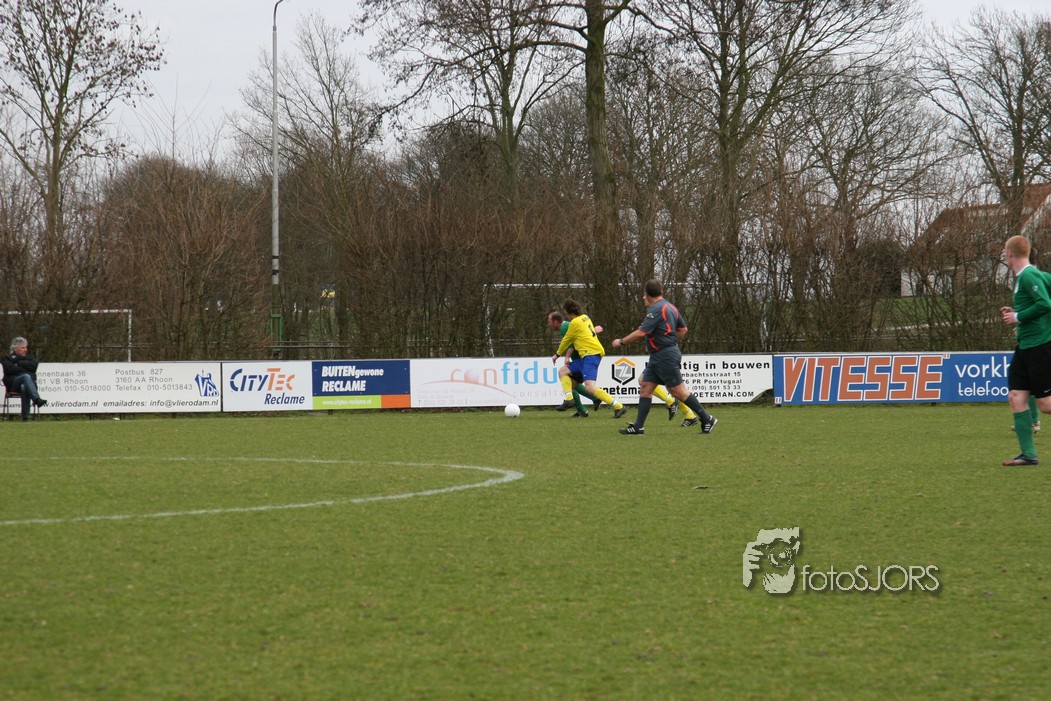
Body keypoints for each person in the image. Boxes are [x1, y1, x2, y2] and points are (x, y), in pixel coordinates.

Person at [611, 279, 716, 435]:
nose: (643, 298)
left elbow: (641, 333)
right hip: (659, 355)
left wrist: (621, 342)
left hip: (665, 355)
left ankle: (707, 419)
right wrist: (669, 340)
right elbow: (683, 329)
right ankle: (638, 426)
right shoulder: (671, 307)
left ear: (647, 294)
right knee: (645, 386)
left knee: (678, 391)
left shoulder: (656, 309)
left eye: (644, 295)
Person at [1000, 235, 1051, 465]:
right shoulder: (1027, 277)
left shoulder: (1029, 275)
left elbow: (1045, 303)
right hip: (1025, 346)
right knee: (1016, 396)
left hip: (1039, 347)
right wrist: (1017, 314)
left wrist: (1018, 317)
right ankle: (1028, 455)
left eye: (1005, 253)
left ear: (1010, 254)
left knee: (1046, 405)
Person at [552, 299, 627, 419]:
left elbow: (567, 340)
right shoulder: (585, 317)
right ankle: (569, 399)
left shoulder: (574, 322)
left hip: (590, 355)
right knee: (563, 372)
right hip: (588, 355)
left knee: (590, 387)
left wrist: (557, 354)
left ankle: (618, 406)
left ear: (568, 312)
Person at [2, 336, 48, 421]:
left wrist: (18, 363)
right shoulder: (7, 358)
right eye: (22, 348)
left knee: (24, 387)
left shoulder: (30, 358)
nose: (25, 350)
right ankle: (36, 399)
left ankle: (25, 417)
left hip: (28, 384)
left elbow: (34, 367)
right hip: (13, 384)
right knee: (26, 376)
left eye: (26, 348)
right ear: (15, 348)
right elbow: (9, 369)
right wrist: (26, 370)